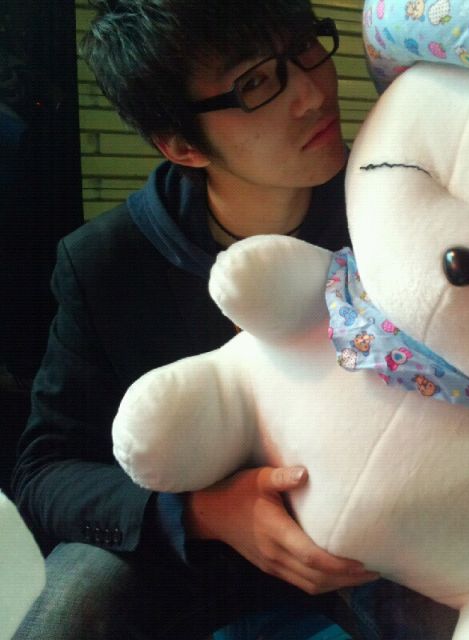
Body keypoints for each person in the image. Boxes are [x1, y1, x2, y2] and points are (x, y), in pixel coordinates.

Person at [10, 1, 381, 637]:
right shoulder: (109, 261)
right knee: (73, 601)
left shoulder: (389, 204)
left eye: (304, 47)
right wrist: (205, 512)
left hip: (372, 528)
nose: (313, 94)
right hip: (190, 558)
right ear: (181, 145)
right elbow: (46, 470)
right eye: (255, 83)